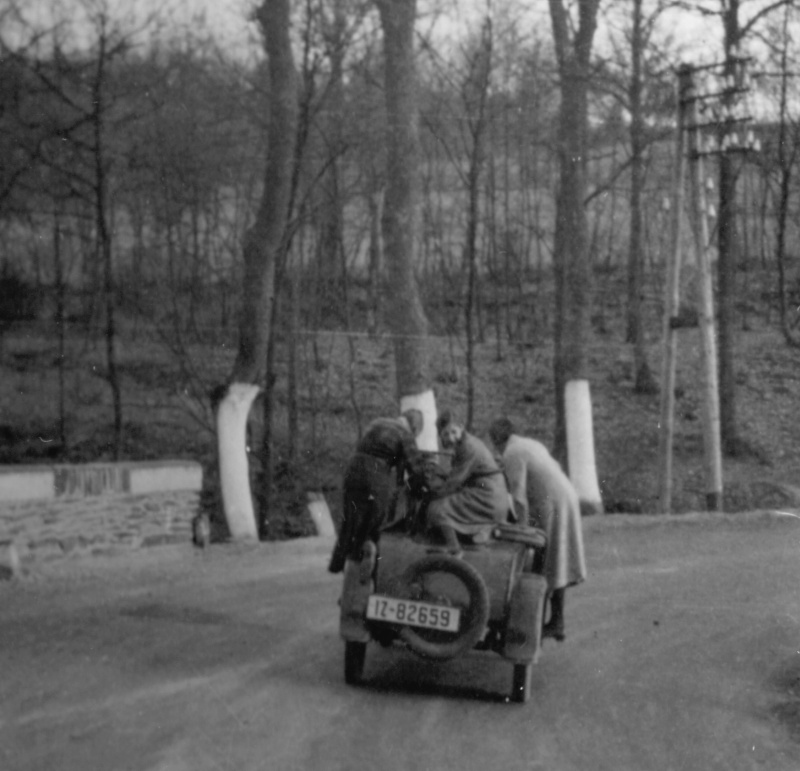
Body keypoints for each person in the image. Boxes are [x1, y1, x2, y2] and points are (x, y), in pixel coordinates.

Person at [489, 417, 587, 642]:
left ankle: (547, 622)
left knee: (547, 560)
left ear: (496, 440)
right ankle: (555, 621)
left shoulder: (512, 453)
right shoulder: (528, 444)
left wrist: (521, 533)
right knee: (556, 559)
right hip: (564, 496)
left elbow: (519, 497)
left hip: (552, 503)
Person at [328, 409, 424, 574]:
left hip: (353, 468)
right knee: (376, 518)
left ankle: (338, 562)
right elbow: (416, 468)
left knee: (351, 517)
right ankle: (361, 561)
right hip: (375, 472)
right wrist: (420, 487)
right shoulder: (405, 433)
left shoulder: (376, 422)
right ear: (414, 427)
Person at [425, 411, 510, 556]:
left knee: (438, 508)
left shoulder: (468, 447)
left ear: (461, 427)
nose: (450, 438)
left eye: (453, 432)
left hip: (488, 496)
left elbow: (454, 483)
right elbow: (457, 475)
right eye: (445, 434)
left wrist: (432, 494)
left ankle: (455, 550)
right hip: (488, 492)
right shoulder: (464, 444)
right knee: (443, 502)